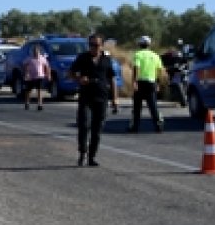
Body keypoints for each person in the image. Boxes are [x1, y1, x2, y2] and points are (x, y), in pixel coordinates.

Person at [68, 34, 119, 167]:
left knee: (97, 129)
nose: (94, 48)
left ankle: (92, 156)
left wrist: (114, 99)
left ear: (101, 46)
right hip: (85, 97)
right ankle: (82, 152)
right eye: (91, 45)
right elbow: (70, 73)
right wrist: (79, 79)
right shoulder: (82, 58)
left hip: (101, 97)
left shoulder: (106, 60)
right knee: (84, 125)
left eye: (96, 45)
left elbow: (112, 79)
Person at [129, 35, 164, 133]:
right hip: (152, 82)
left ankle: (135, 127)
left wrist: (134, 82)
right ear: (149, 44)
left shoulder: (138, 54)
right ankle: (158, 125)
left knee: (137, 106)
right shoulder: (155, 55)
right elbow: (159, 70)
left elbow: (136, 68)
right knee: (153, 105)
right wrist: (158, 83)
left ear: (140, 44)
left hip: (140, 82)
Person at [22, 44, 51, 111]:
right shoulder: (29, 58)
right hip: (31, 77)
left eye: (37, 51)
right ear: (33, 52)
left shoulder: (42, 58)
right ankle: (27, 103)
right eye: (35, 51)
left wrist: (48, 75)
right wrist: (26, 73)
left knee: (39, 90)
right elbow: (24, 65)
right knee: (28, 91)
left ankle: (40, 104)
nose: (36, 53)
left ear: (39, 52)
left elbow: (47, 67)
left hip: (40, 76)